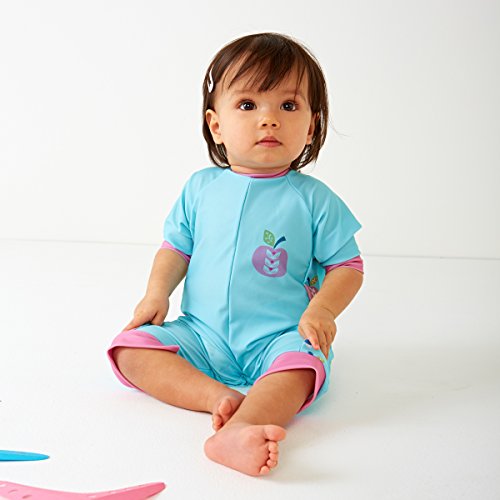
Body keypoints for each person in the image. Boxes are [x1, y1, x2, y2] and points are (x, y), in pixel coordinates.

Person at [107, 32, 364, 477]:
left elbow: (348, 266)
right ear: (216, 125)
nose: (269, 120)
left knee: (302, 368)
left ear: (311, 125)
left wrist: (322, 310)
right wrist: (156, 295)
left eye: (288, 106)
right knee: (129, 350)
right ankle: (218, 398)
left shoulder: (313, 200)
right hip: (201, 334)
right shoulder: (200, 188)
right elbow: (176, 249)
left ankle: (241, 428)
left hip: (279, 336)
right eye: (248, 104)